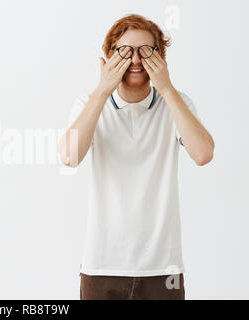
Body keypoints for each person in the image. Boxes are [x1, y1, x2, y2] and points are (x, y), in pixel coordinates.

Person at [58, 14, 214, 300]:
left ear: (162, 58)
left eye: (147, 50)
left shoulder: (175, 104)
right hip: (102, 265)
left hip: (163, 268)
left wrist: (166, 88)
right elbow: (69, 156)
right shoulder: (89, 104)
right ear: (107, 58)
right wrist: (103, 89)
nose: (136, 59)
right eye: (124, 51)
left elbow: (203, 154)